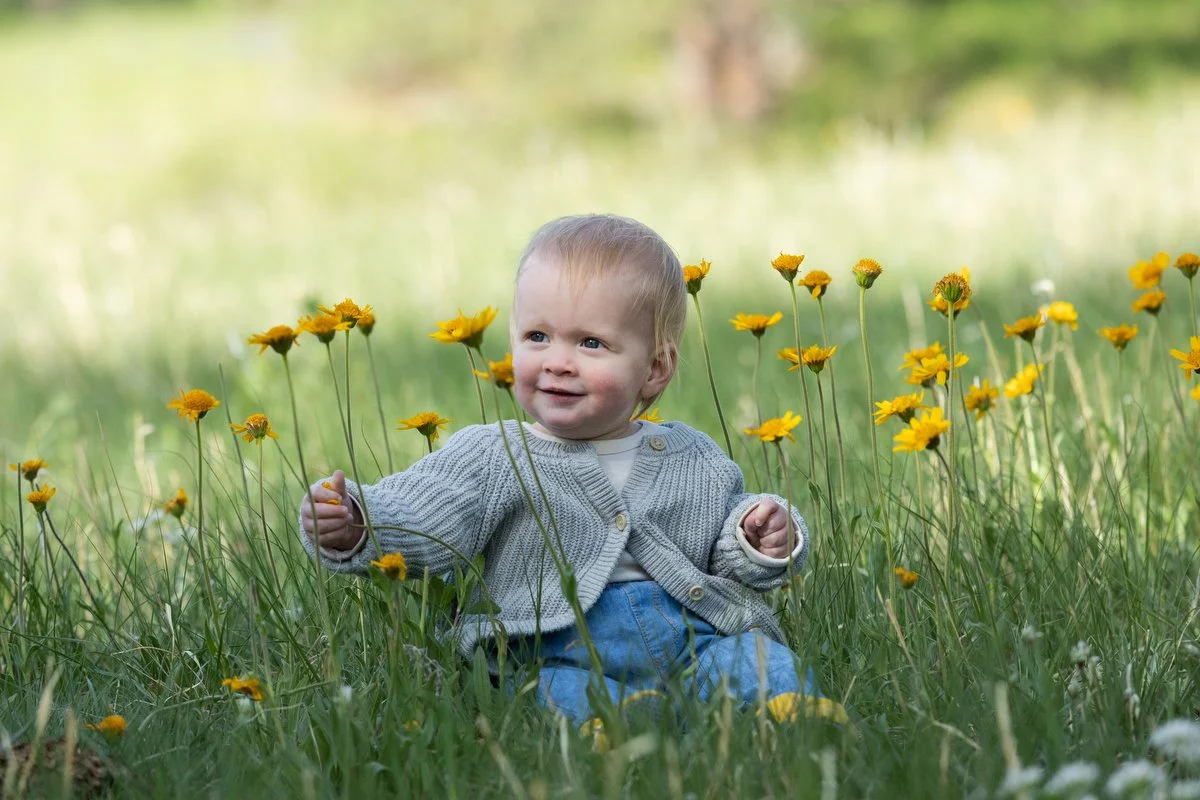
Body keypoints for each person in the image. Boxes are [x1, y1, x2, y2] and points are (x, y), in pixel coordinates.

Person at [300, 214, 843, 732]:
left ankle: (794, 715)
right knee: (547, 693)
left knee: (753, 660)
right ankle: (611, 728)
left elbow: (723, 549)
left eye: (590, 343)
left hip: (691, 641)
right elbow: (427, 515)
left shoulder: (692, 457)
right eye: (537, 337)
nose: (558, 360)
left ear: (655, 368)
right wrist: (358, 520)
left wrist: (759, 536)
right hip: (550, 646)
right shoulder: (496, 455)